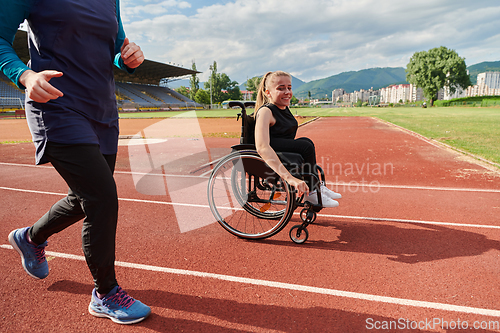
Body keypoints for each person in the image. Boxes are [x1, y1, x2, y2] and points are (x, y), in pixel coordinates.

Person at [1, 0, 151, 325]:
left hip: (103, 110)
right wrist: (24, 75)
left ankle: (30, 237)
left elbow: (115, 49)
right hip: (56, 105)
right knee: (102, 198)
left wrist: (128, 59)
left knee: (85, 198)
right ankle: (106, 294)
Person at [253, 70, 341, 207]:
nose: (287, 92)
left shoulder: (284, 108)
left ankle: (316, 186)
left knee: (306, 142)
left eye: (289, 87)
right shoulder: (266, 111)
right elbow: (262, 147)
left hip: (283, 147)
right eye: (281, 88)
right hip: (271, 148)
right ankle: (312, 193)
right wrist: (289, 178)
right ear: (268, 93)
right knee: (305, 145)